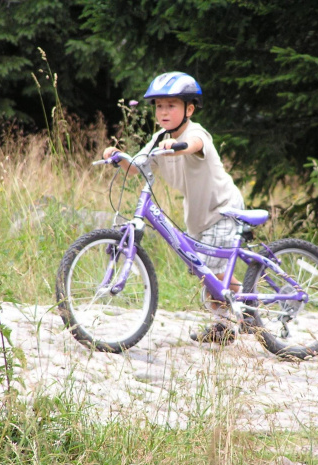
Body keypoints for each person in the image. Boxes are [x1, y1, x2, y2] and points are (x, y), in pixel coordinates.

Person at [103, 71, 245, 344]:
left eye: (171, 105)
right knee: (207, 276)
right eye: (159, 106)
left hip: (224, 208)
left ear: (189, 109)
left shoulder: (195, 132)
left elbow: (194, 145)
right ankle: (245, 313)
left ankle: (226, 326)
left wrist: (177, 146)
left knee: (210, 272)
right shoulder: (158, 139)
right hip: (198, 216)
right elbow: (135, 168)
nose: (163, 112)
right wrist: (118, 156)